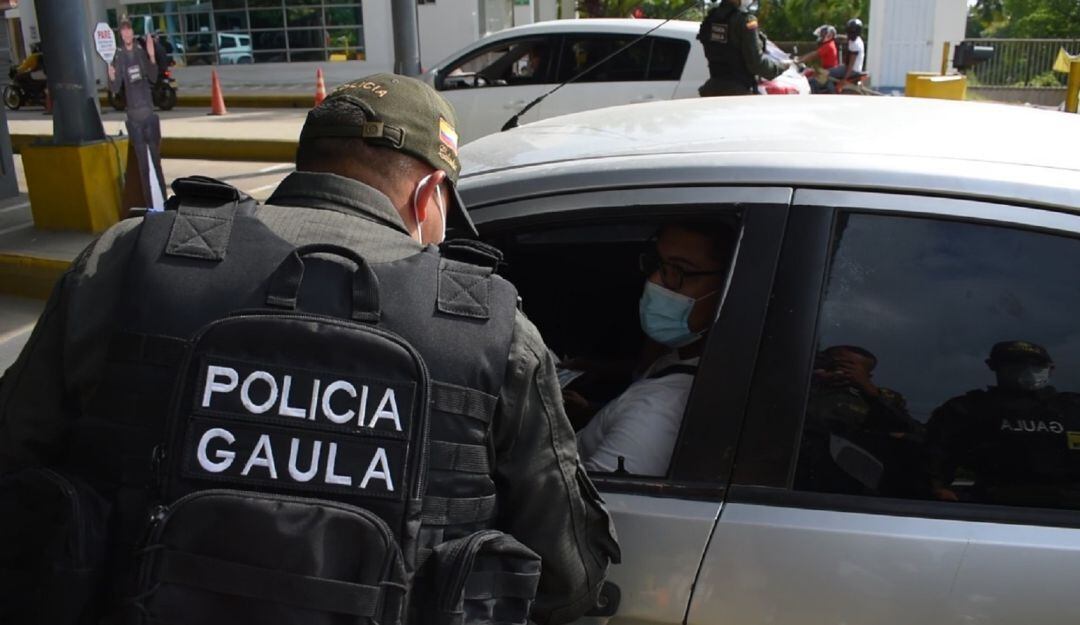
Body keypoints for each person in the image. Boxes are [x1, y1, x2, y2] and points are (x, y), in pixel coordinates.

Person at [0, 74, 618, 624]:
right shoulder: (491, 323)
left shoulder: (129, 257)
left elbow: (18, 447)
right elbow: (564, 572)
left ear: (306, 164)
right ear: (431, 192)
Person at [573, 223, 733, 476]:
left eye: (679, 270)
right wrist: (593, 411)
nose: (655, 281)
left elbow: (590, 508)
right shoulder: (692, 353)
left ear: (729, 287)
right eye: (658, 263)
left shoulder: (657, 412)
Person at [926, 341, 1080, 508]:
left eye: (1036, 365)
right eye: (1015, 364)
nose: (1026, 369)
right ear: (993, 366)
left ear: (1051, 368)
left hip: (1070, 512)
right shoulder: (968, 409)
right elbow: (933, 458)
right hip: (991, 511)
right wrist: (938, 492)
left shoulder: (1072, 408)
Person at [795, 345, 924, 496]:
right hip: (798, 478)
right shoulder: (803, 388)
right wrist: (811, 381)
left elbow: (912, 432)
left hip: (855, 487)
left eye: (848, 367)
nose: (839, 371)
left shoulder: (880, 399)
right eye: (831, 364)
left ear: (867, 374)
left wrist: (869, 390)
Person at [108, 17, 166, 212]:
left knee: (156, 164)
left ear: (132, 32)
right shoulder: (119, 57)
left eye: (129, 30)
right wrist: (112, 76)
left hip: (149, 115)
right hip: (134, 118)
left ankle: (164, 204)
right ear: (120, 34)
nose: (126, 34)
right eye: (123, 31)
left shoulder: (141, 53)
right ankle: (151, 207)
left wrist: (151, 56)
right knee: (143, 168)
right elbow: (115, 89)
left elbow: (153, 76)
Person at [696, 0, 791, 96]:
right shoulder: (748, 20)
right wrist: (781, 67)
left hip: (711, 89)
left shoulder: (711, 17)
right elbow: (756, 63)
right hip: (737, 93)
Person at [830, 18, 866, 85]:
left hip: (852, 71)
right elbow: (845, 38)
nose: (849, 34)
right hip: (849, 68)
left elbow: (851, 65)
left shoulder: (855, 45)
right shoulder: (855, 39)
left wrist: (844, 79)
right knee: (833, 69)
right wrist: (834, 37)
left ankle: (831, 92)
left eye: (851, 32)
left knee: (828, 73)